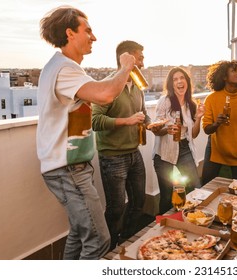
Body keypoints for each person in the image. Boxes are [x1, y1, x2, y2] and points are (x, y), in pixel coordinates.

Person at [36, 6, 136, 259]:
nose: (94, 37)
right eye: (88, 30)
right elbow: (105, 93)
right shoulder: (64, 68)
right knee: (98, 240)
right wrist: (125, 67)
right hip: (68, 169)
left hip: (69, 167)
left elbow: (98, 89)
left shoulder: (63, 67)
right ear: (70, 33)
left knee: (78, 234)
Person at [92, 40, 153, 250]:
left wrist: (153, 124)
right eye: (140, 58)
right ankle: (108, 250)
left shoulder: (137, 86)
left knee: (138, 203)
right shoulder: (107, 86)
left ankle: (125, 242)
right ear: (127, 58)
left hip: (133, 154)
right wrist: (127, 121)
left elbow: (143, 114)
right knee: (116, 208)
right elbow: (95, 122)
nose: (144, 63)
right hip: (112, 158)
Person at [152, 67, 204, 214]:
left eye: (182, 78)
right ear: (171, 84)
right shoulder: (164, 101)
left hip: (184, 149)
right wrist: (166, 130)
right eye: (175, 79)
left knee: (195, 186)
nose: (179, 81)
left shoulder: (191, 105)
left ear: (187, 82)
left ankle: (193, 218)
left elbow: (193, 134)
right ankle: (162, 225)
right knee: (167, 195)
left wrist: (199, 117)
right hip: (164, 152)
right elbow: (156, 129)